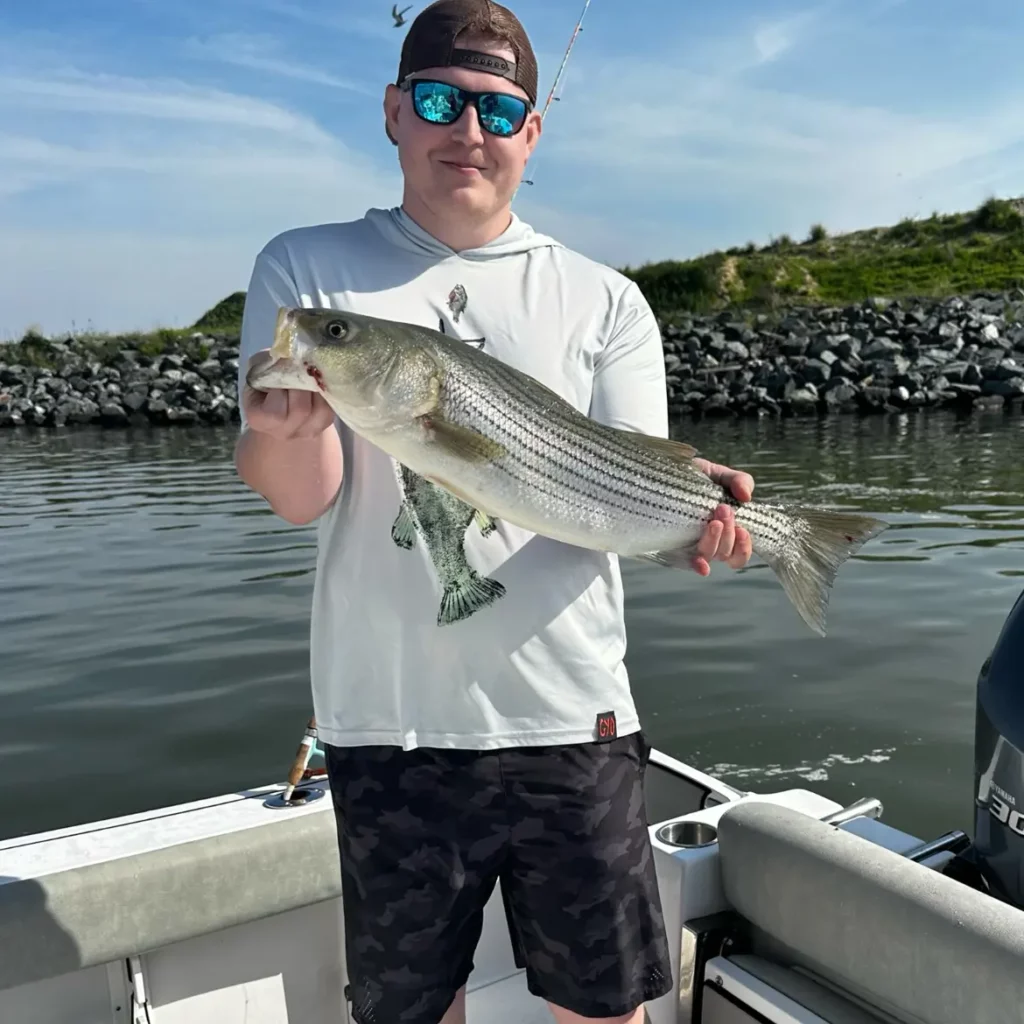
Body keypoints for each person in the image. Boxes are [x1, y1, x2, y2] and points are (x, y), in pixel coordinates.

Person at [233, 2, 755, 1021]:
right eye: (438, 100)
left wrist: (695, 513)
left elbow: (622, 488)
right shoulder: (306, 275)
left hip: (573, 715)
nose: (466, 130)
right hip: (387, 723)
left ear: (531, 131)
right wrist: (286, 428)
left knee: (605, 1008)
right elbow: (305, 499)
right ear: (392, 111)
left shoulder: (606, 300)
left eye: (496, 109)